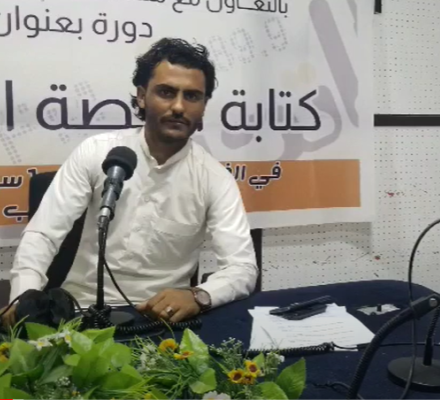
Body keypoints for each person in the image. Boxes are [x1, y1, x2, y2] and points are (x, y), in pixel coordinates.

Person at [5, 38, 258, 326]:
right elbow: (42, 235)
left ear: (203, 106)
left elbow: (242, 268)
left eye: (192, 96)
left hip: (160, 321)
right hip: (81, 311)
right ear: (141, 96)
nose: (178, 106)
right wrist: (24, 299)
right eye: (166, 92)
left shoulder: (214, 178)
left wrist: (198, 296)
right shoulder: (97, 152)